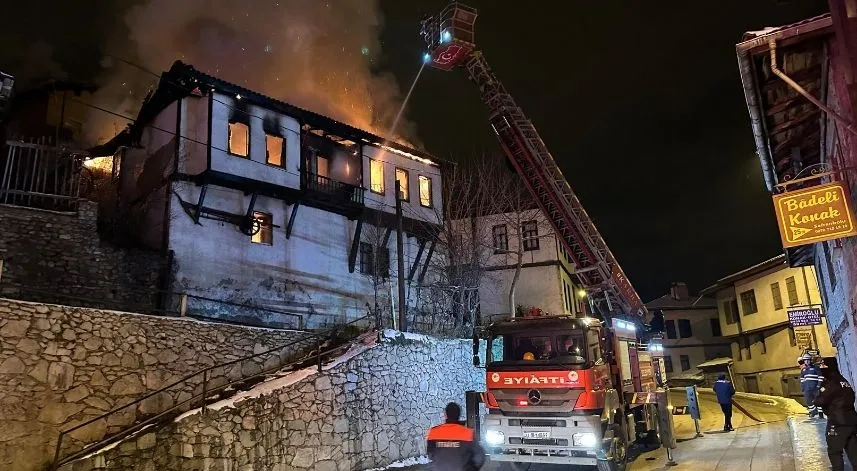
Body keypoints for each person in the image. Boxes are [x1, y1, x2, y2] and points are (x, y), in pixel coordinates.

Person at [815, 357, 857, 471]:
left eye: (823, 365)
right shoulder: (843, 380)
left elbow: (819, 401)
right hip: (851, 422)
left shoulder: (830, 382)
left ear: (830, 366)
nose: (821, 367)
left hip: (837, 422)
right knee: (853, 450)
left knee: (834, 451)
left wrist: (820, 389)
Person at [426, 402, 486, 471]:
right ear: (459, 415)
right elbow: (479, 457)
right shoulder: (468, 433)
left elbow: (430, 454)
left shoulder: (433, 432)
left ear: (445, 415)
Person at [799, 354, 824, 418]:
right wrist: (803, 387)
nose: (807, 361)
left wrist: (818, 385)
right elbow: (802, 379)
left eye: (808, 360)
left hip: (815, 388)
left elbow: (820, 377)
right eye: (805, 360)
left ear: (810, 360)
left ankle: (821, 414)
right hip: (807, 389)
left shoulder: (816, 368)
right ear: (804, 361)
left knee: (817, 400)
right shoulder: (803, 370)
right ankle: (814, 411)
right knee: (808, 401)